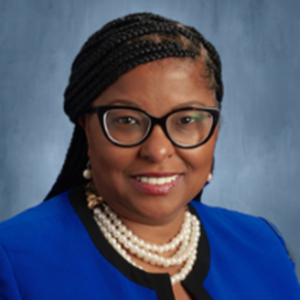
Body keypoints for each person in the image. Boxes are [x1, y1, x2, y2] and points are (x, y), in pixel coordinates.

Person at [0, 13, 299, 300]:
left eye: (186, 120)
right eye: (128, 120)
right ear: (87, 130)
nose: (157, 152)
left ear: (214, 132)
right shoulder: (14, 258)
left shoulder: (263, 244)